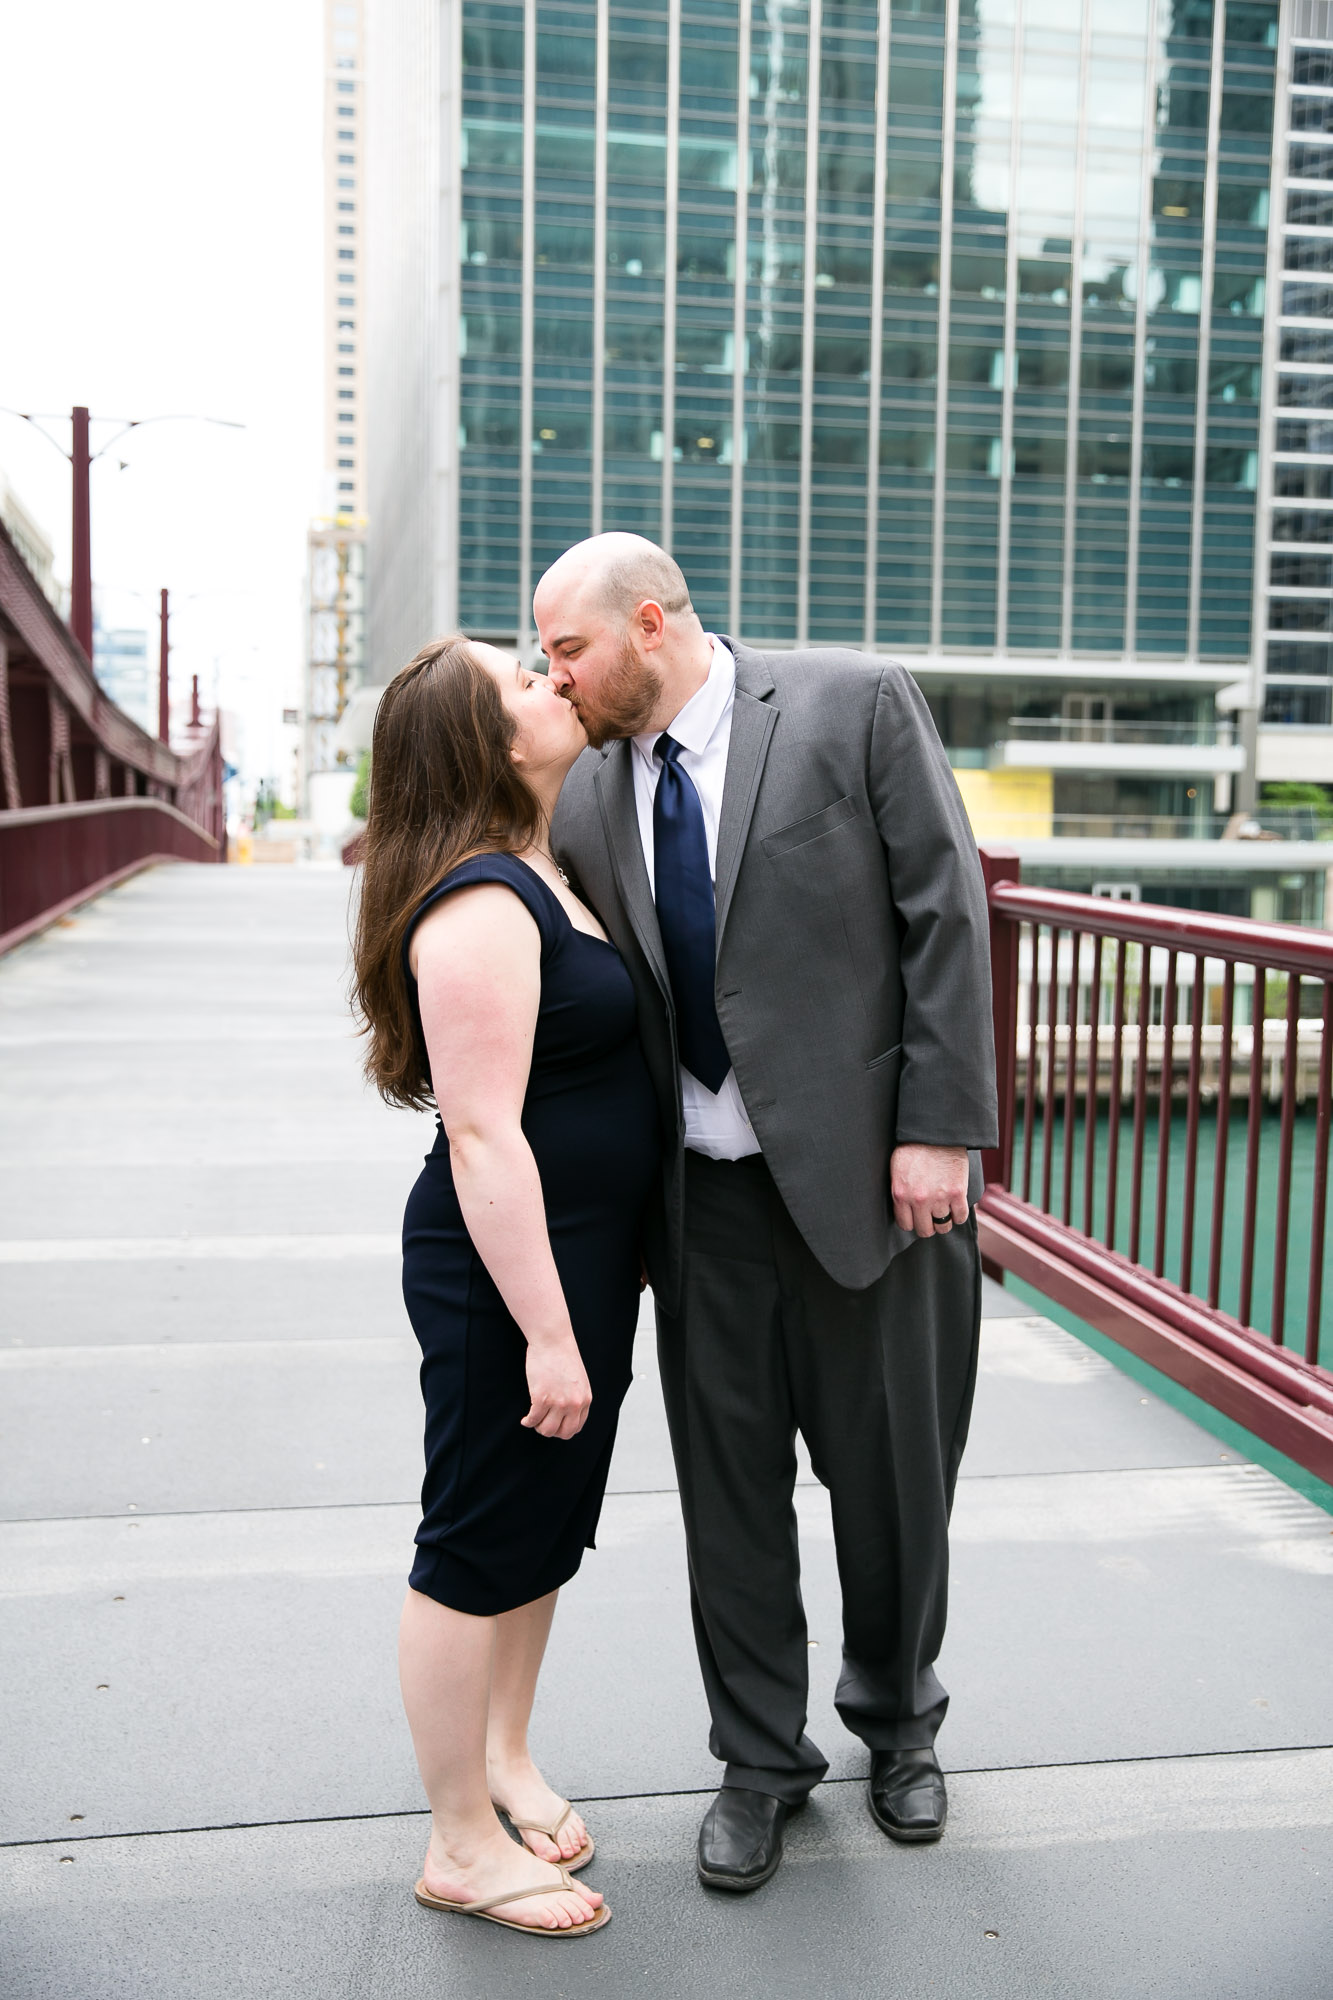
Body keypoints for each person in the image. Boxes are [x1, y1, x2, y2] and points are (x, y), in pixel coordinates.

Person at [542, 534, 997, 1893]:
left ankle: (899, 1725)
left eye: (567, 649)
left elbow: (945, 911)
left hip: (873, 1188)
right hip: (696, 1212)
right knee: (726, 1502)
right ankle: (758, 1762)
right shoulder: (577, 792)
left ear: (647, 621)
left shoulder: (851, 704)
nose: (549, 675)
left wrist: (937, 1129)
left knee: (894, 1487)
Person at [351, 634, 659, 1937]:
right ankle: (458, 1843)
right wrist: (544, 1330)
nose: (550, 681)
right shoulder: (481, 902)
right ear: (487, 743)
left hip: (577, 1257)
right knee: (474, 1537)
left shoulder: (547, 863)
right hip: (503, 1274)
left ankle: (506, 1757)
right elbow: (481, 1135)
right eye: (521, 681)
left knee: (542, 1523)